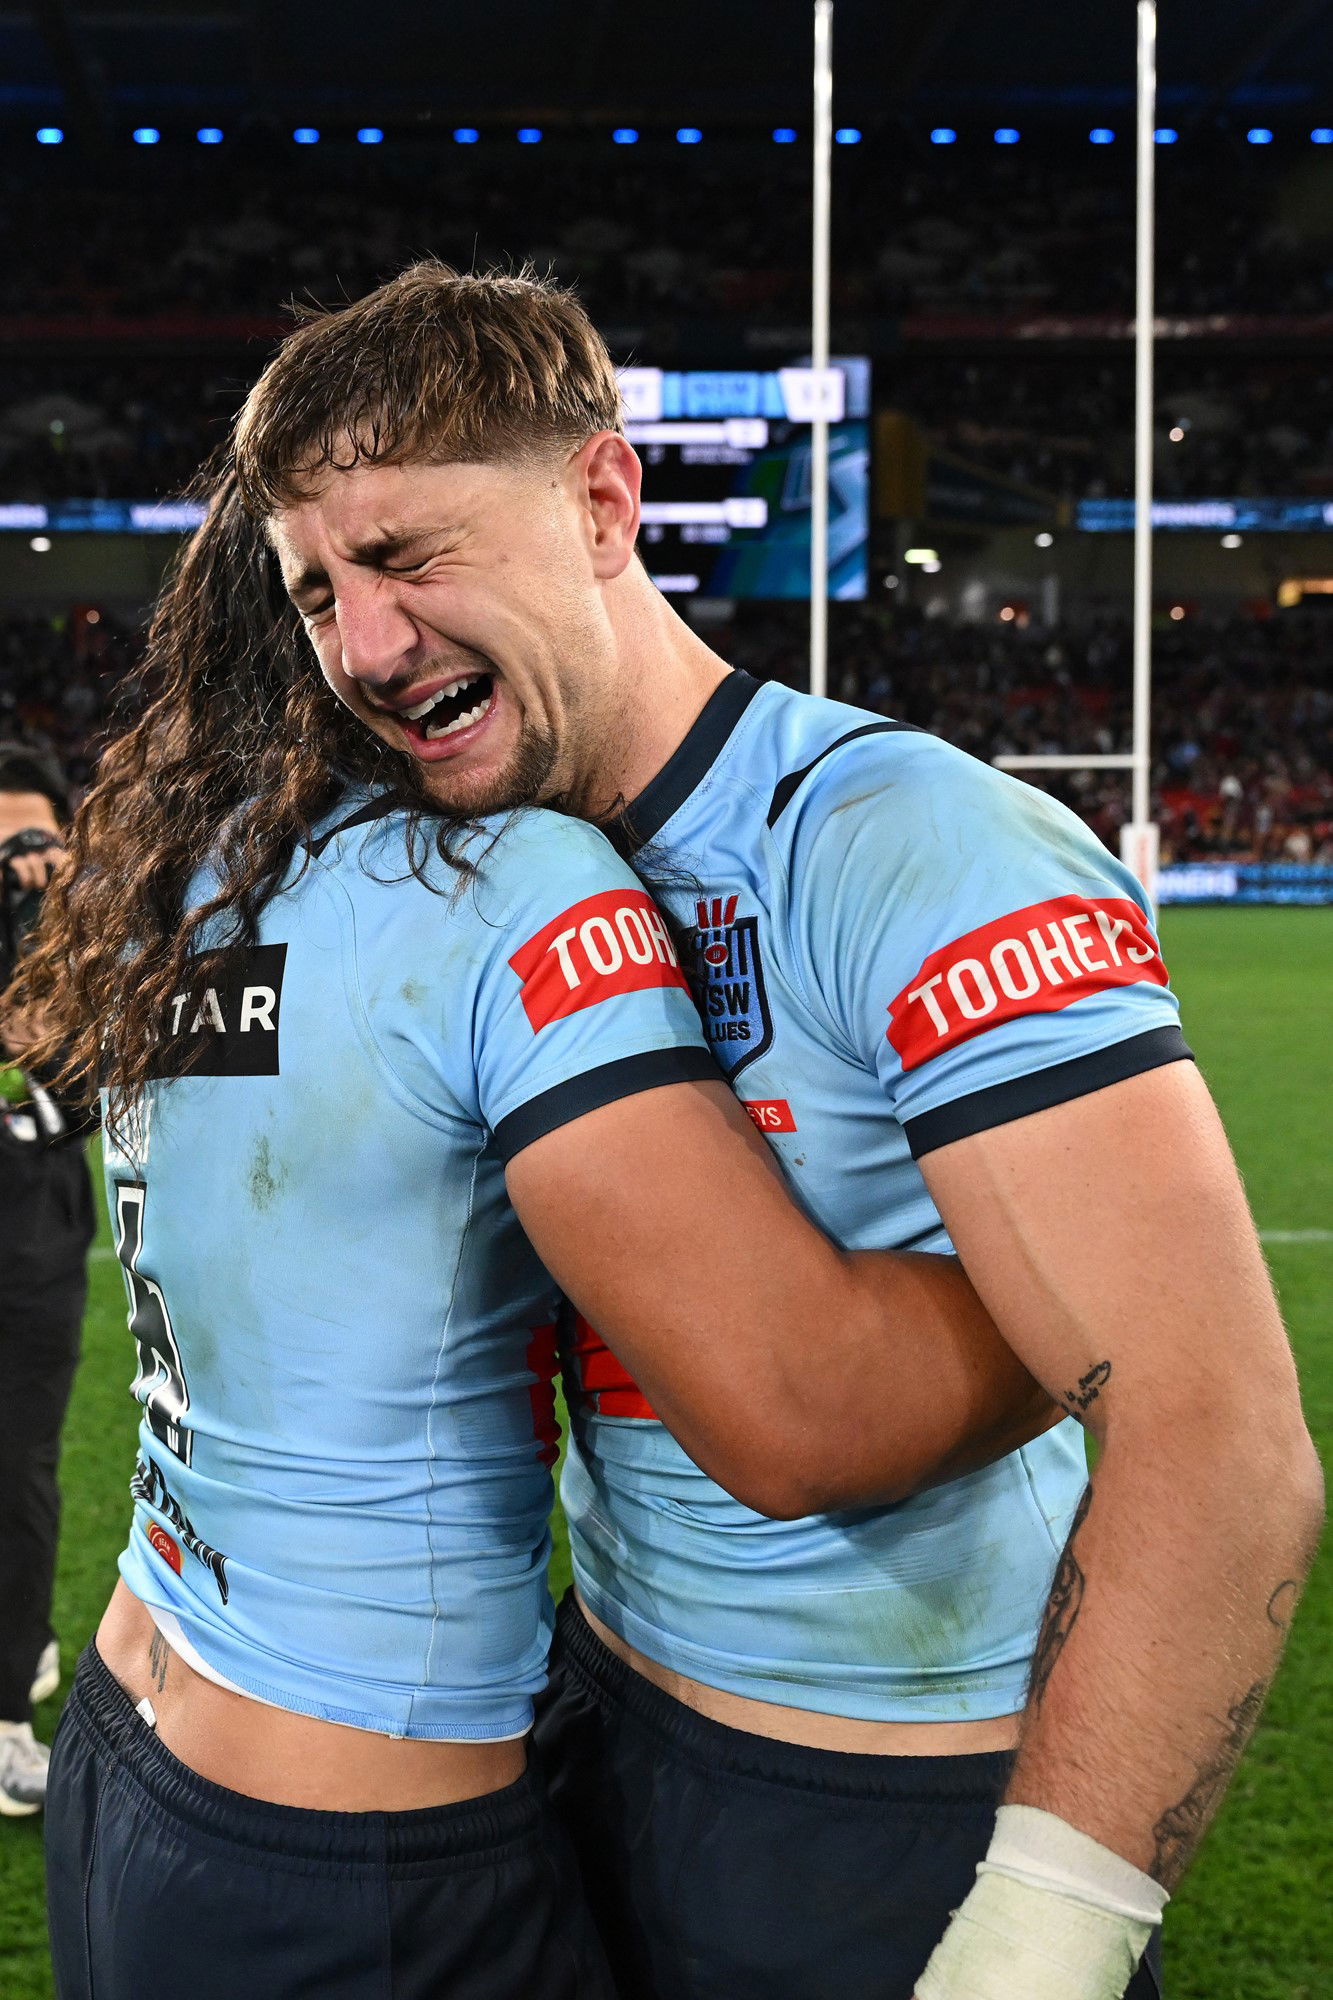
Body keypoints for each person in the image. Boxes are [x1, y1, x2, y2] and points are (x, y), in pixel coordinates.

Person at [220, 262, 1322, 2000]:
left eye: (412, 556)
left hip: (883, 1808)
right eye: (314, 592)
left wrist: (1035, 1940)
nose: (361, 647)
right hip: (589, 1722)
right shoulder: (472, 880)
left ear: (601, 500)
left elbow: (1222, 1446)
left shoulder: (909, 843)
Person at [14, 466, 1056, 1993]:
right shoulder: (501, 879)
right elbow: (796, 1411)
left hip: (138, 1733)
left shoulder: (192, 881)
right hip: (351, 1833)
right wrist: (1074, 1317)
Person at [0, 744, 95, 1816]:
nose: (19, 862)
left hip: (34, 1235)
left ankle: (4, 1712)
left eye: (36, 839)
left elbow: (80, 1084)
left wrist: (44, 929)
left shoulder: (89, 940)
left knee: (16, 1472)